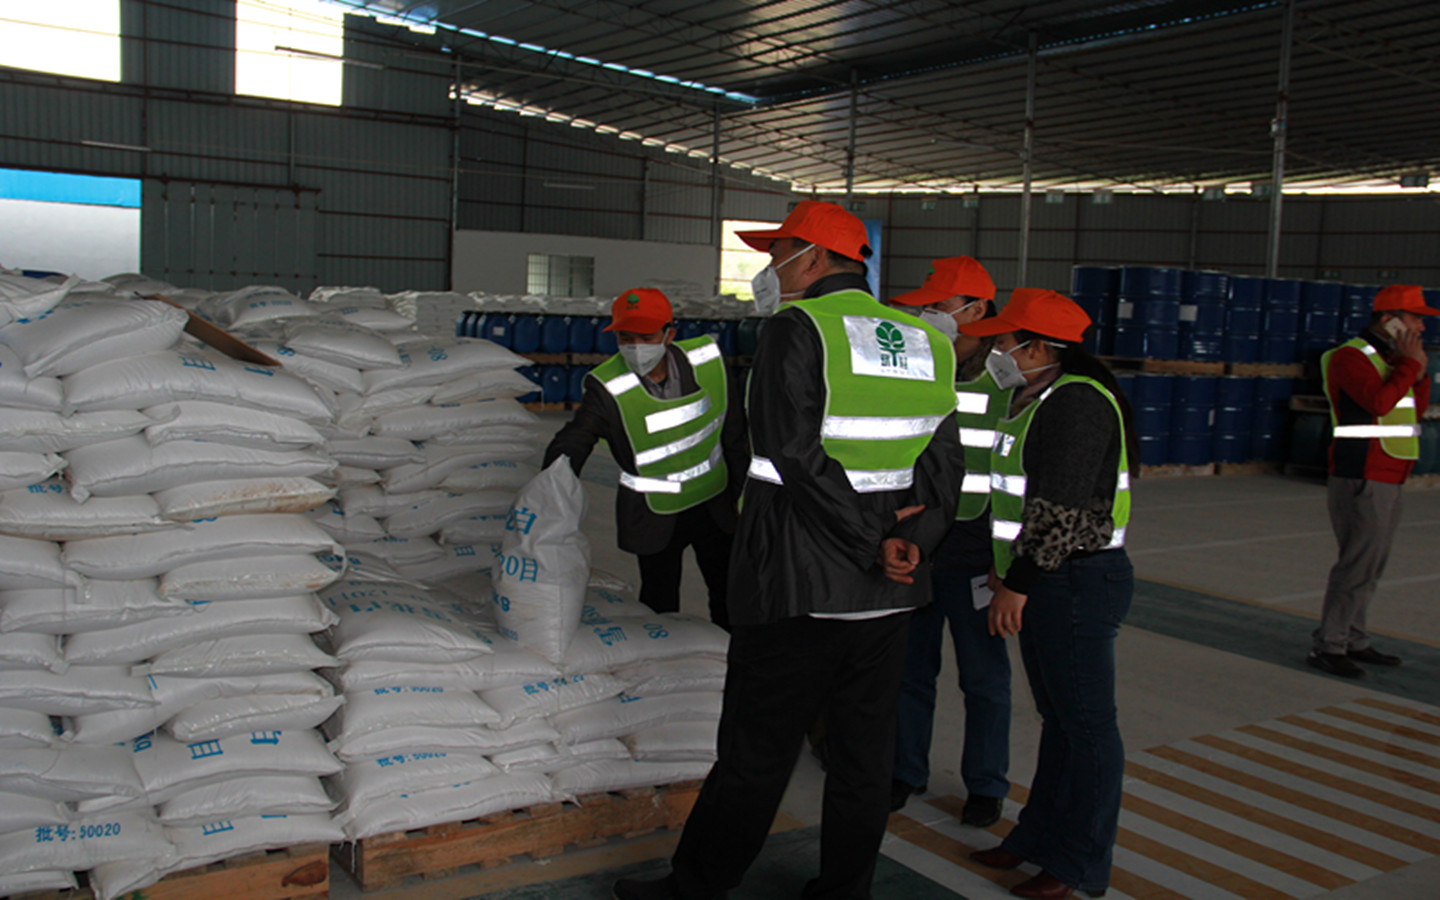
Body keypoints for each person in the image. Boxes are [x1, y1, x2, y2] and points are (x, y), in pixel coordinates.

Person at [612, 200, 966, 900]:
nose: (770, 267)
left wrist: (870, 540)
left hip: (798, 580)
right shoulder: (924, 339)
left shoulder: (796, 329)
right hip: (889, 593)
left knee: (756, 749)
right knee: (864, 755)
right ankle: (844, 891)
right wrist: (907, 542)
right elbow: (945, 463)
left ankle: (696, 887)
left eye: (777, 253)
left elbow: (791, 453)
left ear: (814, 257)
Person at [960, 289, 1138, 900]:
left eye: (1003, 342)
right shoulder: (1035, 398)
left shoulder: (1076, 403)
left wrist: (1019, 584)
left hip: (1077, 580)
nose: (995, 351)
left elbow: (1058, 512)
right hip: (1048, 577)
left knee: (1087, 729)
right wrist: (1007, 571)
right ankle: (1036, 839)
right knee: (1061, 722)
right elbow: (1020, 501)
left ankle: (1079, 864)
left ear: (1037, 348)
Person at [885, 256, 1012, 828]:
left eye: (939, 307)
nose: (930, 316)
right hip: (917, 544)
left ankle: (985, 784)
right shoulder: (916, 366)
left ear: (977, 310)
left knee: (983, 678)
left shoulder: (1006, 379)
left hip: (977, 550)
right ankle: (904, 769)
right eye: (927, 307)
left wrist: (1009, 561)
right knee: (910, 671)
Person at [543, 288, 746, 628]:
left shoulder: (707, 363)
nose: (636, 347)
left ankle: (731, 652)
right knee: (659, 601)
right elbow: (577, 437)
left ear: (669, 334)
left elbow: (734, 433)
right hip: (656, 512)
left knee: (727, 592)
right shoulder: (607, 386)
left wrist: (743, 496)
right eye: (626, 337)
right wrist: (549, 484)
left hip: (714, 503)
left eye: (647, 337)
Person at [1309, 284, 1435, 677]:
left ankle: (1353, 638)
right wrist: (1409, 367)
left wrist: (1419, 374)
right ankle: (1330, 645)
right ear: (1390, 319)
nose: (1421, 327)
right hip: (1362, 473)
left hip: (1390, 473)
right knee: (1357, 565)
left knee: (1371, 565)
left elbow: (1412, 409)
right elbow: (1377, 403)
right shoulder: (1350, 357)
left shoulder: (1391, 359)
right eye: (1415, 318)